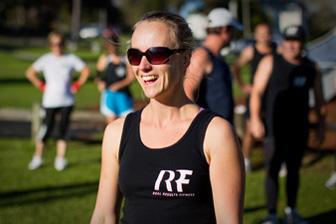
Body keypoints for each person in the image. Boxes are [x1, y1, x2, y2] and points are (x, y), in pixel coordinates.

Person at [90, 11, 245, 224]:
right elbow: (104, 217)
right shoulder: (117, 132)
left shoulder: (215, 133)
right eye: (135, 55)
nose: (143, 66)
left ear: (185, 59)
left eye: (156, 54)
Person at [250, 25, 325, 224]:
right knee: (272, 169)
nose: (291, 45)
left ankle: (292, 211)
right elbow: (256, 92)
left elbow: (319, 101)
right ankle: (272, 215)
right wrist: (256, 119)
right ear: (283, 41)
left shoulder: (311, 68)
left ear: (303, 43)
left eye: (296, 41)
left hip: (299, 127)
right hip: (274, 128)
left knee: (294, 170)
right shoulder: (271, 61)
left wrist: (321, 128)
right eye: (288, 40)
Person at [26, 31, 90, 171]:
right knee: (46, 129)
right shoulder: (46, 59)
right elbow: (30, 73)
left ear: (64, 44)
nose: (57, 47)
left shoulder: (71, 58)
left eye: (60, 44)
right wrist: (41, 85)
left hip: (67, 101)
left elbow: (86, 71)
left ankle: (60, 159)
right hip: (50, 101)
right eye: (54, 44)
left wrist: (77, 85)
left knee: (63, 129)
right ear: (50, 45)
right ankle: (38, 157)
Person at [232, 23, 279, 173]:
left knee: (275, 127)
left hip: (272, 96)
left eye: (268, 33)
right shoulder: (251, 51)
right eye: (262, 34)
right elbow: (236, 66)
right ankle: (246, 159)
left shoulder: (278, 50)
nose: (266, 37)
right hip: (255, 96)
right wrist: (242, 85)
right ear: (256, 36)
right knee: (251, 130)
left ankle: (278, 160)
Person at [184, 7, 243, 125]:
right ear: (225, 30)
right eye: (233, 31)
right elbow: (187, 92)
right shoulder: (202, 55)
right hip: (209, 131)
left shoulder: (217, 57)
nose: (234, 35)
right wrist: (197, 126)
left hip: (222, 129)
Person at [95, 34, 134, 124]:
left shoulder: (125, 59)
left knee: (126, 123)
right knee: (112, 124)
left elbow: (131, 78)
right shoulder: (105, 59)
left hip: (123, 95)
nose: (112, 49)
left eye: (114, 46)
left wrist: (119, 85)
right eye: (110, 46)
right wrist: (100, 83)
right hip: (109, 95)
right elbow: (97, 77)